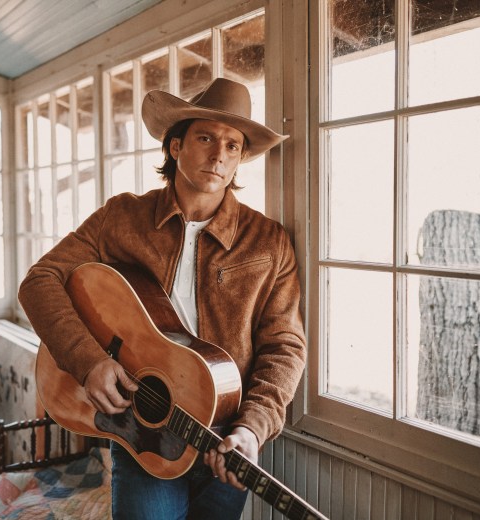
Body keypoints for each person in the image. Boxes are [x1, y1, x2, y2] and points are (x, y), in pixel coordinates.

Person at [18, 77, 307, 520]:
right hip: (144, 434)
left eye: (233, 146)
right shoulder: (122, 217)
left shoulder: (268, 242)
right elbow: (39, 281)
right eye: (206, 137)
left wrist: (253, 428)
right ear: (175, 146)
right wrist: (89, 361)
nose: (219, 155)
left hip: (226, 442)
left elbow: (285, 347)